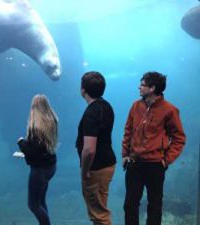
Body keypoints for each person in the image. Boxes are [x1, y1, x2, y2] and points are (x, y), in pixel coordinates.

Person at [122, 71, 186, 225]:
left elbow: (179, 138)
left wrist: (166, 160)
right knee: (130, 205)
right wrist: (125, 154)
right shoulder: (136, 106)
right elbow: (128, 130)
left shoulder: (169, 110)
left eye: (142, 85)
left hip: (155, 165)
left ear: (152, 88)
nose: (139, 87)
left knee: (154, 206)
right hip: (135, 163)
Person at [76, 71, 116, 225]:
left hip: (96, 168)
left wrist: (85, 170)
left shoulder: (91, 113)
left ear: (83, 90)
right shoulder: (106, 106)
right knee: (101, 208)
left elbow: (89, 149)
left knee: (98, 215)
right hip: (107, 164)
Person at [17, 94, 58, 225]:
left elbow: (33, 152)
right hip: (50, 166)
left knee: (33, 205)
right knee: (41, 201)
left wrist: (21, 142)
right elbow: (42, 148)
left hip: (39, 169)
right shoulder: (53, 120)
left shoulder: (36, 127)